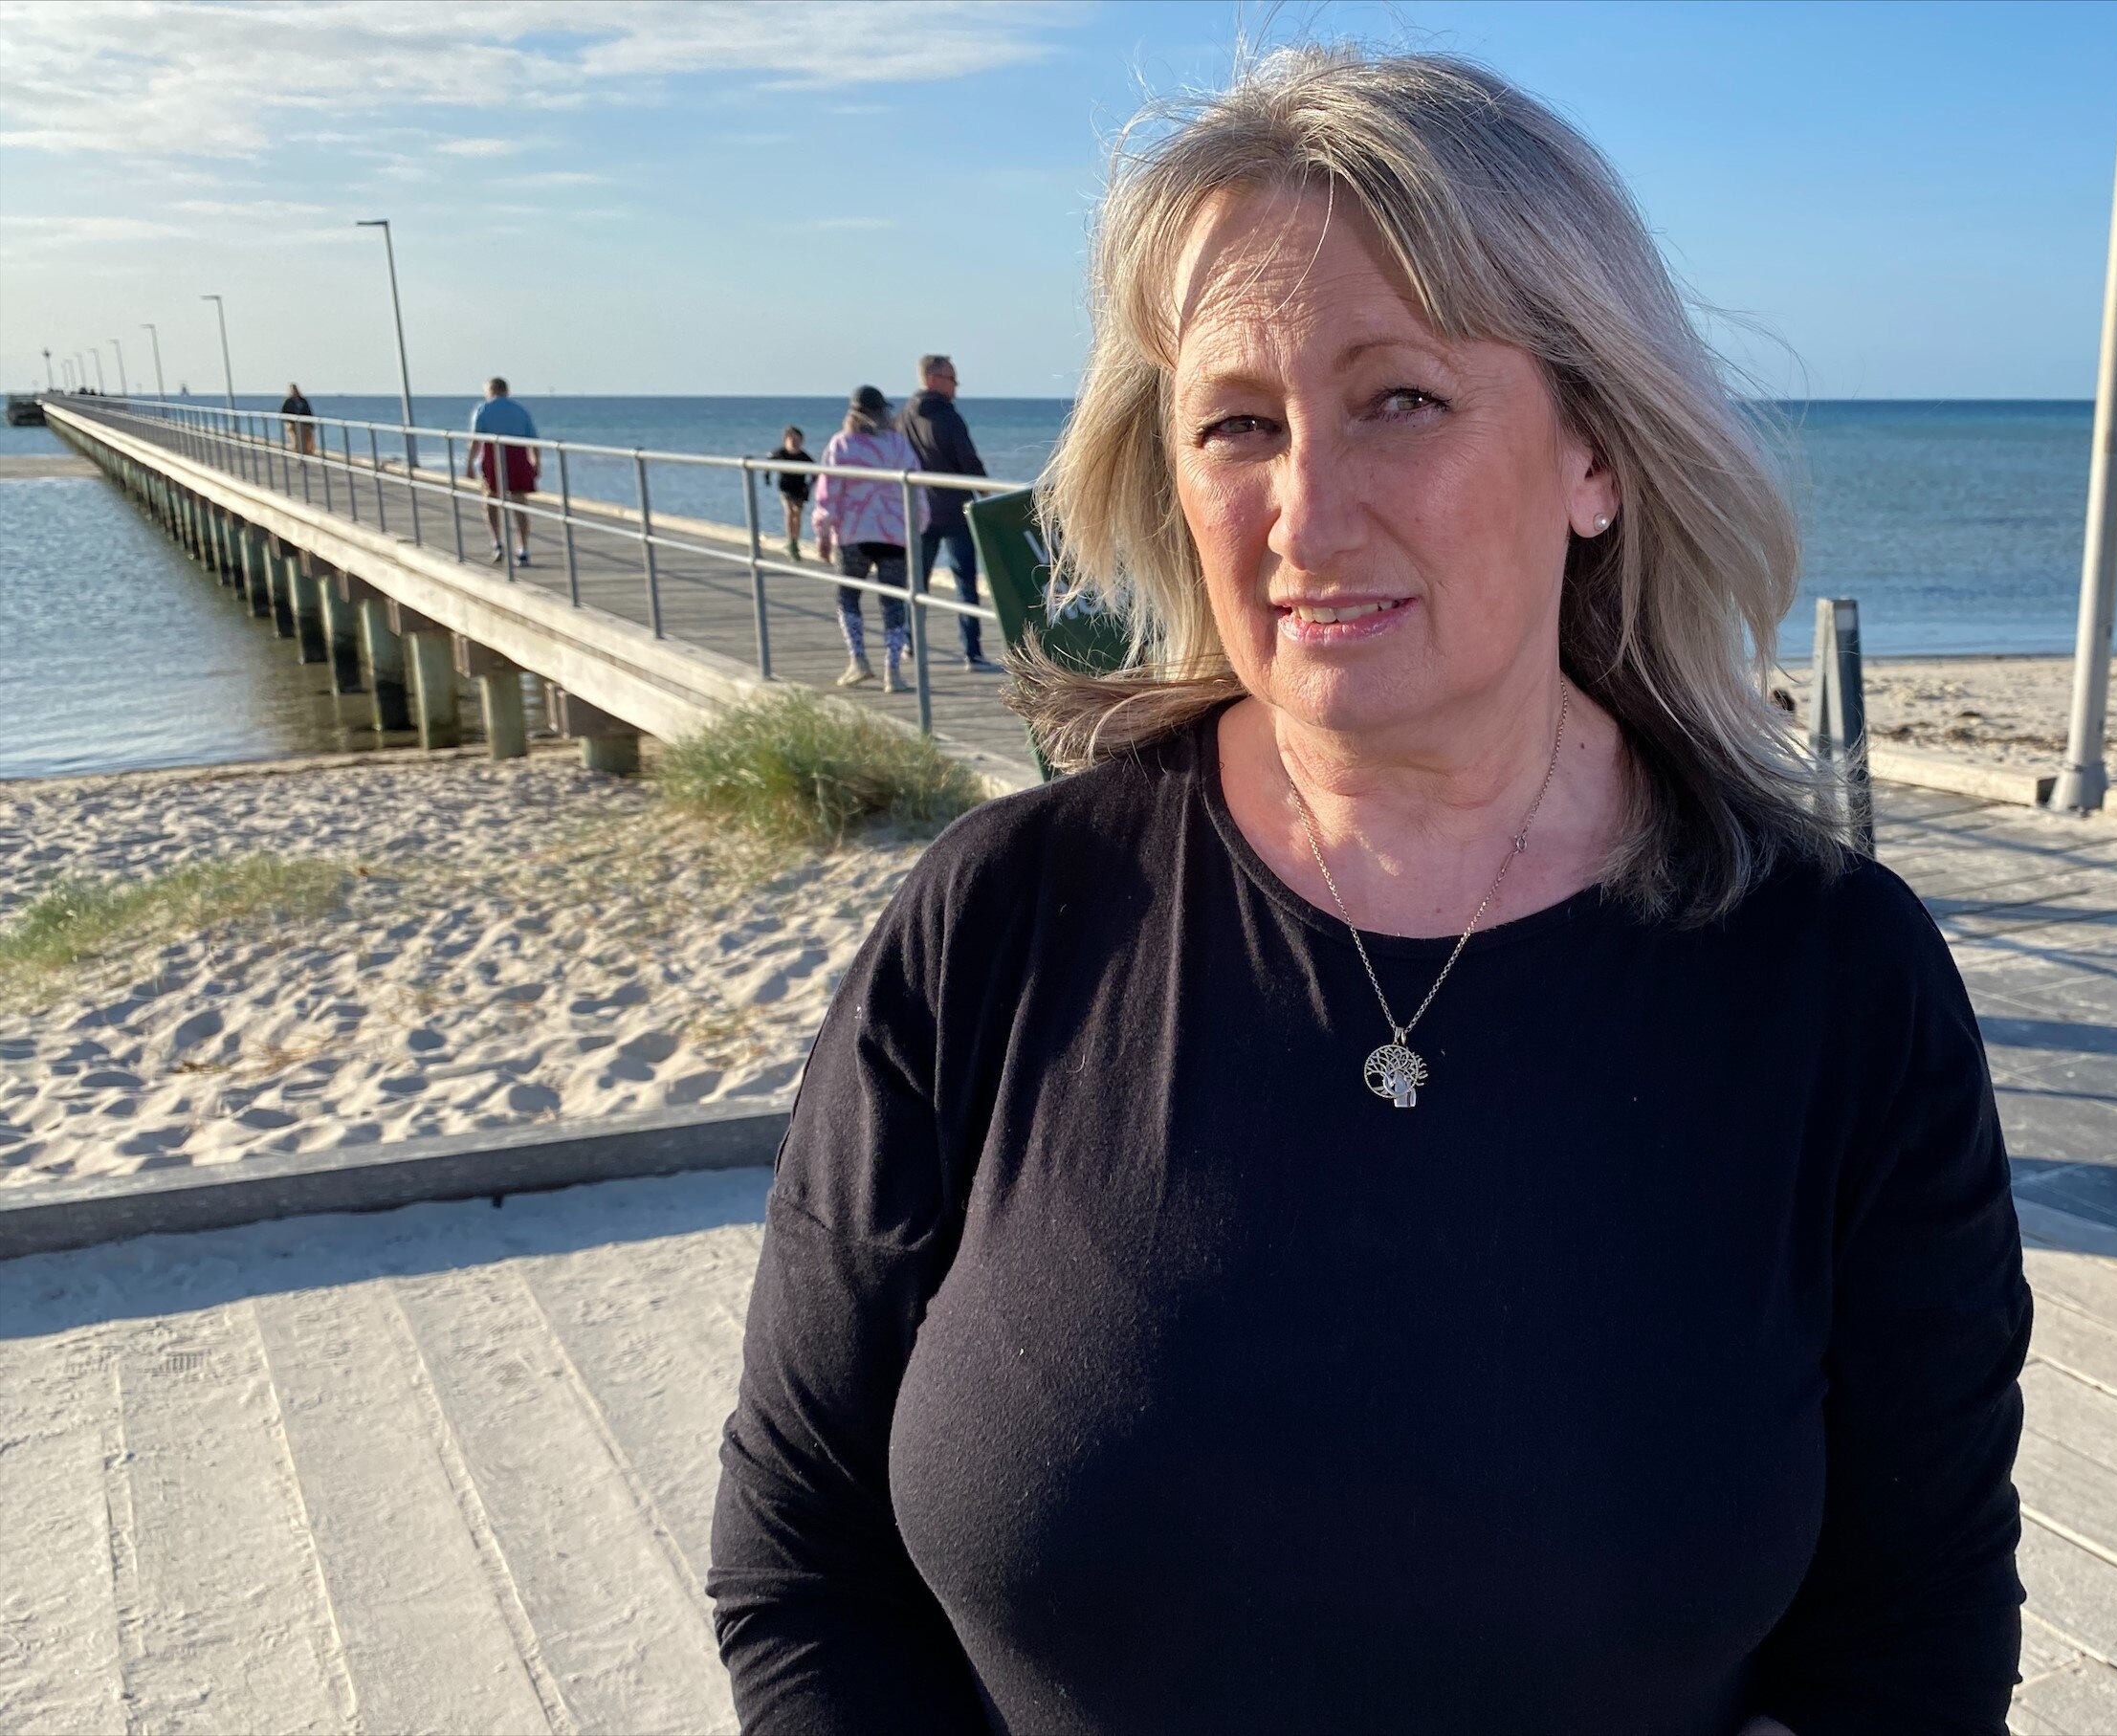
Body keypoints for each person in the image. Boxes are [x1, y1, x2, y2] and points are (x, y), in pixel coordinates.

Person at [711, 47, 2028, 1736]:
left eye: (1400, 397)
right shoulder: (999, 926)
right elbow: (801, 1565)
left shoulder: (1837, 985)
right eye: (1240, 423)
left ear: (1596, 456)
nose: (1308, 513)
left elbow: (1912, 1648)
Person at [811, 386, 927, 692]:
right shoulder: (898, 446)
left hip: (853, 534)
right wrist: (919, 526)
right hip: (894, 535)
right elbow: (917, 490)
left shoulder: (841, 445)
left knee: (848, 596)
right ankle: (893, 672)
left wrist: (822, 531)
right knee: (893, 603)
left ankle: (858, 660)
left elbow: (828, 492)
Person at [898, 354, 1000, 673]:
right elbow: (968, 460)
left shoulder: (901, 419)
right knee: (965, 581)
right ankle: (972, 652)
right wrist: (985, 493)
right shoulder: (947, 417)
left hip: (920, 509)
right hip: (955, 509)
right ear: (932, 380)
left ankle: (910, 642)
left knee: (918, 581)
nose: (956, 386)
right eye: (951, 379)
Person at [464, 377, 540, 567]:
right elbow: (533, 439)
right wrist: (536, 463)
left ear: (491, 390)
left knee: (490, 500)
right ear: (506, 390)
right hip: (518, 456)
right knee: (520, 503)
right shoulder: (520, 410)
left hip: (493, 455)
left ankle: (497, 542)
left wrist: (469, 464)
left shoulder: (483, 409)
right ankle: (523, 548)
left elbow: (475, 440)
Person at [765, 425, 813, 561]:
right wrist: (767, 478)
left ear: (801, 441)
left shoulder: (804, 456)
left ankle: (795, 541)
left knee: (797, 513)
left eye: (797, 439)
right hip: (785, 488)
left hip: (800, 488)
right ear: (785, 440)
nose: (794, 442)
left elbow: (815, 472)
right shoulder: (780, 453)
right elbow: (767, 465)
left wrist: (810, 486)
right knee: (789, 511)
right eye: (791, 439)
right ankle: (790, 542)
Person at [280, 384, 316, 455]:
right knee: (295, 432)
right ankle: (298, 449)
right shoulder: (288, 401)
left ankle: (307, 450)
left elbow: (308, 412)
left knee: (307, 433)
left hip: (303, 422)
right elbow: (283, 412)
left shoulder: (303, 400)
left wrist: (311, 423)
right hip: (292, 422)